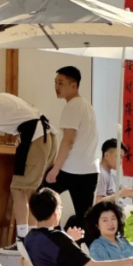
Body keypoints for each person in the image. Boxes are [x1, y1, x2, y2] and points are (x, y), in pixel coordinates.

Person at [0, 75, 58, 239]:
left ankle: (24, 239)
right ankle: (32, 237)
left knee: (19, 188)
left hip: (36, 137)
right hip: (45, 136)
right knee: (30, 191)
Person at [45, 66, 99, 229]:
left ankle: (55, 237)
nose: (56, 87)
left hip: (72, 169)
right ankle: (85, 249)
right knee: (85, 219)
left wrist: (55, 169)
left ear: (73, 85)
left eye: (60, 83)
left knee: (43, 199)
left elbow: (68, 141)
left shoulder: (73, 106)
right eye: (55, 83)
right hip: (90, 170)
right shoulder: (86, 106)